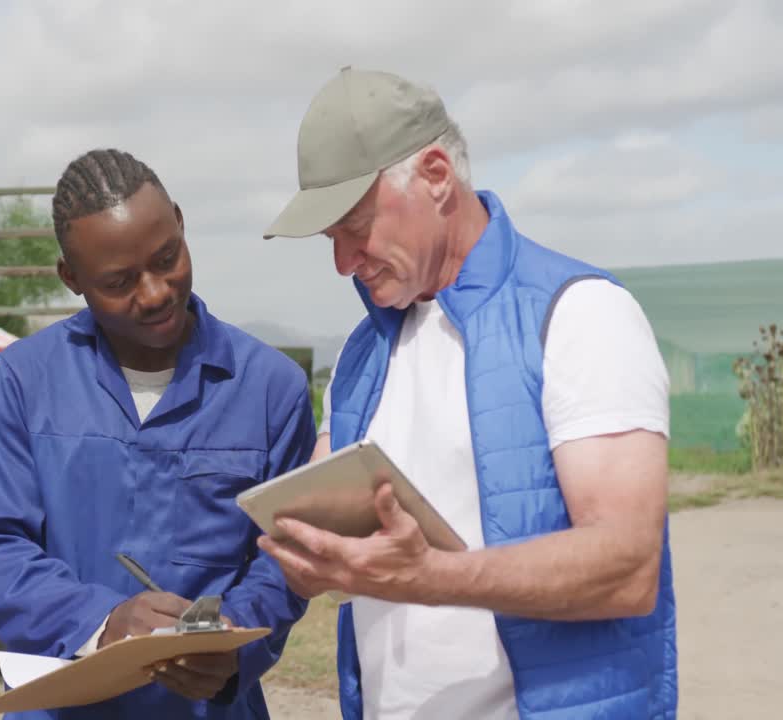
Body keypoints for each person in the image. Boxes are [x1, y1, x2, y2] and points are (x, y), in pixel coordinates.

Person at [257, 68, 678, 720]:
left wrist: (427, 578)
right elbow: (331, 533)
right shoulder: (362, 354)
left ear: (435, 176)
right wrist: (310, 560)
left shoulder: (580, 315)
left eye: (355, 226)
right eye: (329, 239)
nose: (342, 261)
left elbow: (626, 566)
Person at [0, 148, 317, 719]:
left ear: (178, 219)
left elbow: (288, 558)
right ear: (71, 278)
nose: (154, 292)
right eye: (119, 282)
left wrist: (232, 642)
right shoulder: (25, 380)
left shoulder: (272, 389)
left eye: (167, 257)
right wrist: (100, 624)